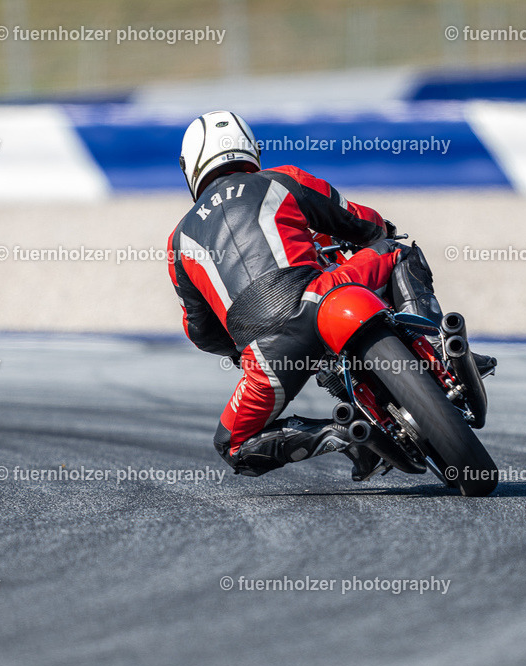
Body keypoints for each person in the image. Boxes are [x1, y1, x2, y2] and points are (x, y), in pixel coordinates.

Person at [167, 111, 492, 481]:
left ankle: (340, 434)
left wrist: (243, 350)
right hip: (316, 296)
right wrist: (383, 228)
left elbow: (201, 332)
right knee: (396, 253)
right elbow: (355, 219)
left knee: (232, 445)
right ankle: (436, 347)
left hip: (266, 352)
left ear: (189, 166)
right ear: (250, 149)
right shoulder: (280, 180)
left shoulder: (178, 240)